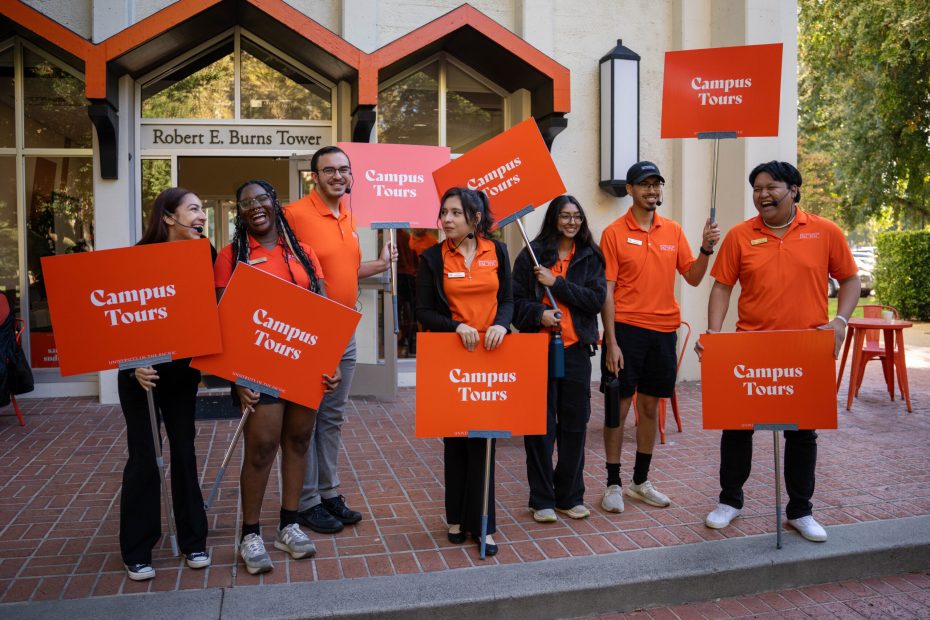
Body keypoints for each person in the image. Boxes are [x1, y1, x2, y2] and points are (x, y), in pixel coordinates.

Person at [698, 161, 859, 542]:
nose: (763, 194)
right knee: (737, 429)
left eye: (771, 187)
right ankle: (729, 501)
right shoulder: (740, 235)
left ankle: (800, 511)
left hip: (804, 351)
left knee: (802, 434)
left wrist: (841, 321)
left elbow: (849, 279)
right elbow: (722, 287)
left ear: (794, 190)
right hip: (751, 350)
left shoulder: (824, 231)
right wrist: (714, 335)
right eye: (757, 188)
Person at [215, 180, 340, 574]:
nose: (255, 206)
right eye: (246, 202)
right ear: (240, 212)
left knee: (299, 440)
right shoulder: (230, 257)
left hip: (303, 364)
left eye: (261, 199)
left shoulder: (303, 254)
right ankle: (249, 534)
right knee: (262, 447)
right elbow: (224, 322)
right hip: (258, 368)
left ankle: (289, 525)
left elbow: (322, 312)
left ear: (274, 204)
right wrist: (238, 378)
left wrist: (329, 361)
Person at [285, 146, 395, 535]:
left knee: (332, 417)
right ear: (314, 175)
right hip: (313, 330)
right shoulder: (294, 215)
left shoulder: (348, 214)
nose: (338, 176)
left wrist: (380, 265)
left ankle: (329, 493)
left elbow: (345, 270)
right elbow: (288, 275)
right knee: (307, 418)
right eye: (329, 170)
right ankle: (307, 500)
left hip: (344, 328)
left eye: (344, 170)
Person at [599, 161, 720, 513]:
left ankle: (640, 481)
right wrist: (611, 341)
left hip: (664, 332)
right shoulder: (613, 233)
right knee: (617, 409)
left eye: (657, 185)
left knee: (650, 407)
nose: (652, 191)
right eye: (644, 185)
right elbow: (606, 290)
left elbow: (694, 277)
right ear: (630, 190)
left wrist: (706, 249)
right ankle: (613, 483)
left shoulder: (673, 230)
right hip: (626, 331)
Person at [117, 187, 210, 581]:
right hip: (141, 375)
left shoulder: (204, 254)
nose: (201, 215)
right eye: (193, 209)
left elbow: (208, 314)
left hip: (180, 374)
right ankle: (137, 549)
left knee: (185, 452)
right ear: (169, 217)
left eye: (202, 209)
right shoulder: (137, 258)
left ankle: (194, 541)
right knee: (144, 458)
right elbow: (120, 316)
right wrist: (133, 365)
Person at [416, 187, 513, 556]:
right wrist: (456, 326)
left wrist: (503, 324)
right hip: (449, 356)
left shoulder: (497, 251)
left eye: (455, 212)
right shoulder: (431, 258)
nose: (447, 219)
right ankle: (455, 516)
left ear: (475, 218)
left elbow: (508, 299)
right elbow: (424, 311)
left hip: (491, 355)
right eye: (444, 212)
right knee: (455, 439)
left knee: (484, 440)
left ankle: (483, 523)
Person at [512, 195, 606, 522]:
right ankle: (541, 499)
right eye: (565, 216)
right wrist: (539, 314)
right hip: (538, 351)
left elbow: (594, 300)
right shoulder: (531, 256)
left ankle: (569, 495)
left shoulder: (591, 256)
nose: (572, 222)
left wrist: (557, 284)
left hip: (576, 350)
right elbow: (515, 304)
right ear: (554, 218)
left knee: (574, 424)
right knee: (540, 427)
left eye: (577, 216)